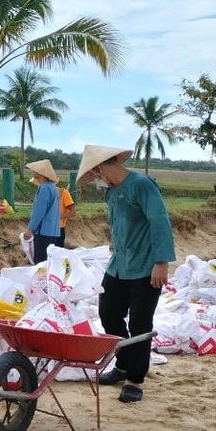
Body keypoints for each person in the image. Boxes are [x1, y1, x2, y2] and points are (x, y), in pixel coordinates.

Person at [77, 144, 176, 404]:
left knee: (140, 324)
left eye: (94, 174)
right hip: (119, 265)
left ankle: (135, 379)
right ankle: (122, 365)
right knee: (108, 312)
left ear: (100, 168)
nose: (95, 180)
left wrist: (161, 262)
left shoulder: (141, 185)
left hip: (146, 267)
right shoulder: (111, 192)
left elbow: (159, 220)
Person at [23, 159, 62, 264]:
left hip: (43, 232)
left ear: (41, 173)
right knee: (49, 262)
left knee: (40, 262)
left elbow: (39, 211)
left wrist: (30, 229)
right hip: (53, 232)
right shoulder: (53, 188)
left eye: (36, 170)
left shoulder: (44, 188)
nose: (33, 172)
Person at [59, 182, 76, 246]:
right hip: (44, 230)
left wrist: (59, 216)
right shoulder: (41, 193)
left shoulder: (63, 193)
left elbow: (73, 212)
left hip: (58, 229)